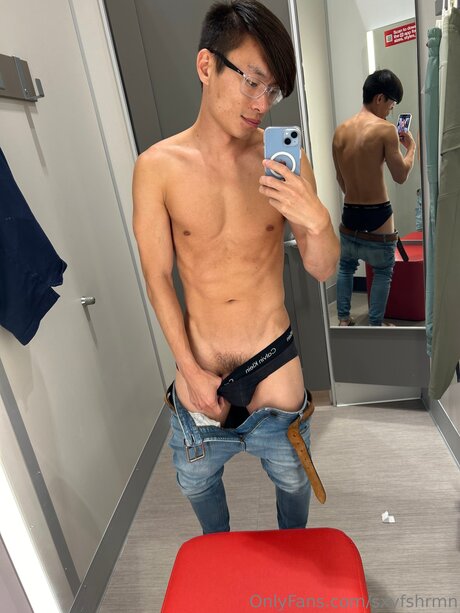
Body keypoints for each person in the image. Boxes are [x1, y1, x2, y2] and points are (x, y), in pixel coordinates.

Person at [132, 0, 339, 534]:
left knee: (293, 483)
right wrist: (189, 370)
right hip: (200, 373)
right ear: (207, 66)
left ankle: (293, 556)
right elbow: (157, 277)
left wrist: (317, 220)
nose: (262, 103)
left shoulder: (283, 161)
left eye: (273, 90)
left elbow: (323, 270)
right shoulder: (157, 168)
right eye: (251, 81)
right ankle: (218, 557)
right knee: (197, 486)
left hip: (274, 367)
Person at [332, 69, 416, 327]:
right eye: (392, 103)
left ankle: (343, 319)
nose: (391, 110)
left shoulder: (340, 131)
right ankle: (375, 325)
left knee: (346, 267)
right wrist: (411, 148)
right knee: (382, 271)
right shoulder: (385, 130)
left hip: (350, 212)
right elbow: (400, 175)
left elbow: (340, 180)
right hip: (378, 212)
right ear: (380, 98)